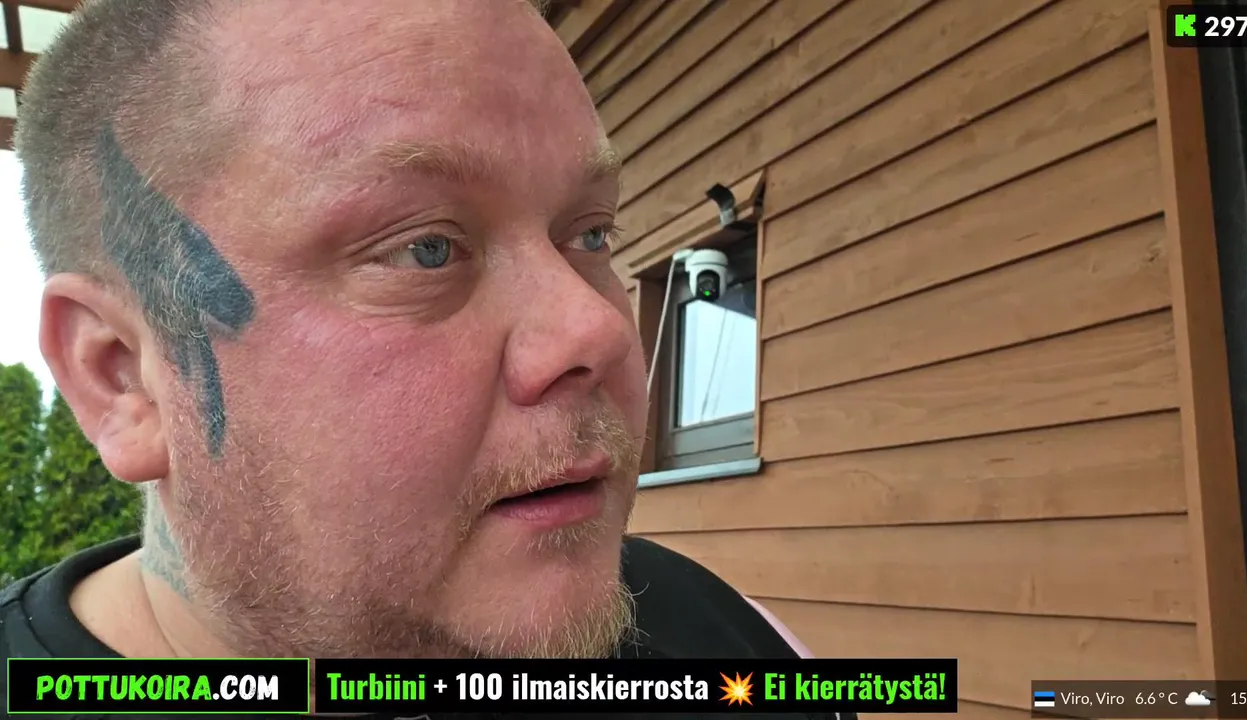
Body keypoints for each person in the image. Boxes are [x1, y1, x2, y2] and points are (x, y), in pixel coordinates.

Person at [0, 0, 830, 717]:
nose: (598, 329)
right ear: (122, 378)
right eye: (425, 248)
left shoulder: (726, 643)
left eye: (590, 235)